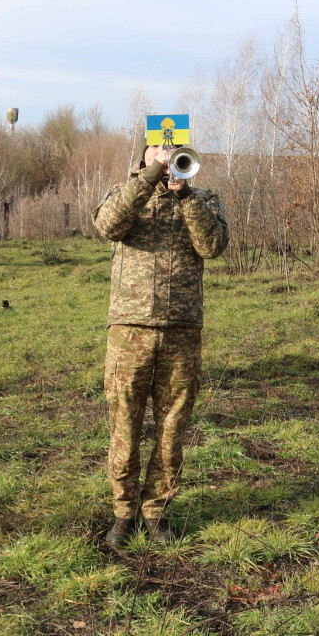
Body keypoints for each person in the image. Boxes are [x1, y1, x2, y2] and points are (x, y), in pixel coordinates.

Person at [93, 140, 229, 547]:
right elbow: (108, 227)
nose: (166, 155)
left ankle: (156, 512)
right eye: (158, 148)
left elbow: (213, 246)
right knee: (124, 424)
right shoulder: (123, 192)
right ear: (143, 153)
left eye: (173, 149)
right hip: (130, 329)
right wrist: (150, 178)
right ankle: (123, 512)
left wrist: (183, 192)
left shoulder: (203, 198)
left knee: (172, 426)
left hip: (182, 329)